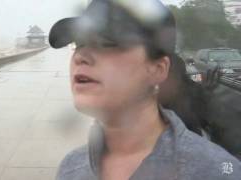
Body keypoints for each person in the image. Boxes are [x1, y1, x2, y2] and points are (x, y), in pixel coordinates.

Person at [48, 0, 241, 179]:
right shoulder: (71, 168)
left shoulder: (214, 171)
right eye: (79, 43)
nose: (81, 56)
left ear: (158, 69)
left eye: (107, 44)